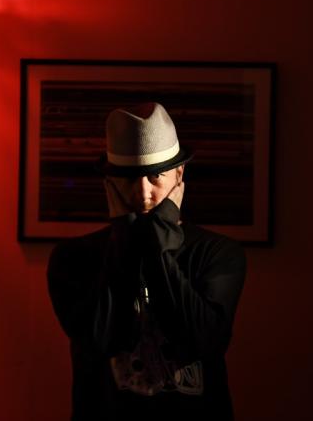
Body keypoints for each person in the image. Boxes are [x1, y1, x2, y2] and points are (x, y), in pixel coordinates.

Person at [47, 102, 247, 421]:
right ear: (109, 184)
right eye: (128, 178)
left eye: (155, 176)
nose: (142, 194)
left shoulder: (219, 254)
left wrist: (159, 241)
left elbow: (200, 342)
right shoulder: (73, 258)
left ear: (179, 173)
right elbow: (102, 340)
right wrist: (125, 238)